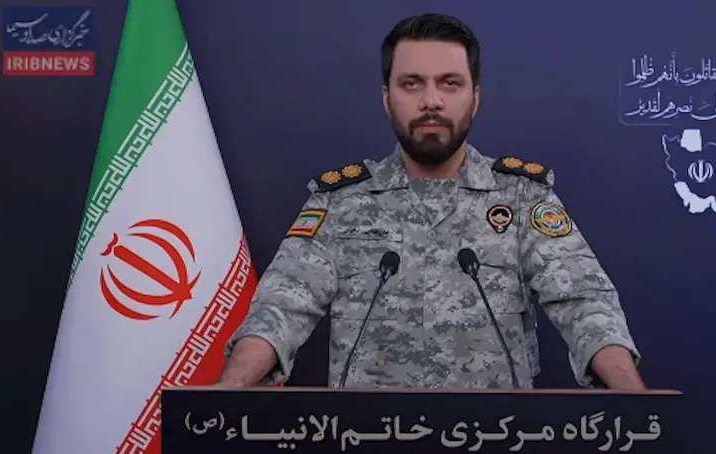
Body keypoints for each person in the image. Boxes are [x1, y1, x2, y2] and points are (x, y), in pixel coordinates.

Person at [216, 13, 645, 390]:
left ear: (475, 98)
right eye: (411, 84)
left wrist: (632, 397)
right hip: (367, 435)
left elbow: (584, 302)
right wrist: (231, 387)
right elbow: (282, 304)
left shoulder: (522, 196)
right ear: (387, 99)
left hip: (495, 433)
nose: (431, 101)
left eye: (449, 83)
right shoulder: (340, 202)